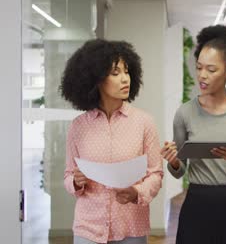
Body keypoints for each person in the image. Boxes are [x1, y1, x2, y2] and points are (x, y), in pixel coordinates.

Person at [161, 25, 226, 244]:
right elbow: (179, 171)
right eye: (199, 68)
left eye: (211, 70)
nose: (202, 76)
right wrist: (175, 163)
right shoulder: (184, 112)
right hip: (197, 206)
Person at [60, 39, 163, 244]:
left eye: (126, 72)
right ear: (96, 79)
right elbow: (68, 175)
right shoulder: (78, 126)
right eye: (115, 73)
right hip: (88, 227)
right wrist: (76, 181)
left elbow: (156, 174)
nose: (125, 79)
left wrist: (136, 192)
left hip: (131, 225)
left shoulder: (144, 122)